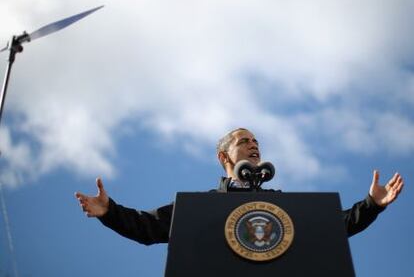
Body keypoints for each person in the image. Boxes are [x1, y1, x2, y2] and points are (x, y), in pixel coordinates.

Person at [75, 128, 404, 244]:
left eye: (256, 141)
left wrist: (371, 205)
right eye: (244, 140)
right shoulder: (202, 207)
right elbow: (148, 227)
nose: (253, 145)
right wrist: (110, 212)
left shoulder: (281, 209)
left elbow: (333, 229)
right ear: (224, 156)